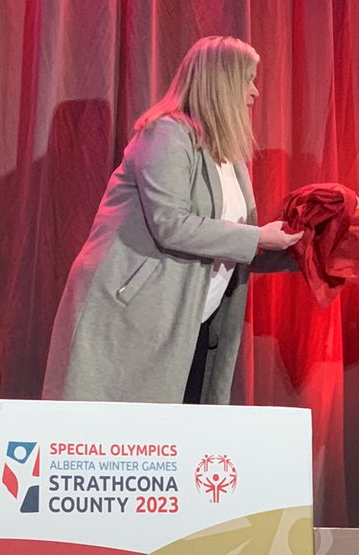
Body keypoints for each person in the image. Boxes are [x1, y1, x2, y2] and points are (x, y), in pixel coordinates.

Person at [43, 36, 303, 405]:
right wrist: (257, 237)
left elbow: (229, 244)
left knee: (173, 445)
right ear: (221, 82)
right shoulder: (167, 132)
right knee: (118, 444)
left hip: (187, 319)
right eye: (247, 79)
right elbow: (172, 223)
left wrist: (303, 249)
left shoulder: (229, 154)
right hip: (133, 313)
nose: (255, 91)